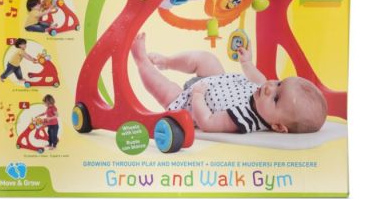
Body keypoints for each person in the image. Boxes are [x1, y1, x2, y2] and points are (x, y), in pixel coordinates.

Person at [131, 33, 327, 134]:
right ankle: (167, 61)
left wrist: (197, 96)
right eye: (279, 83)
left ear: (277, 126)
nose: (270, 87)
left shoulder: (245, 119)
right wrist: (247, 63)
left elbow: (207, 122)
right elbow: (257, 78)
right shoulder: (262, 92)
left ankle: (141, 61)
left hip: (191, 103)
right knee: (207, 59)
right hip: (216, 81)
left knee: (167, 91)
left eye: (276, 98)